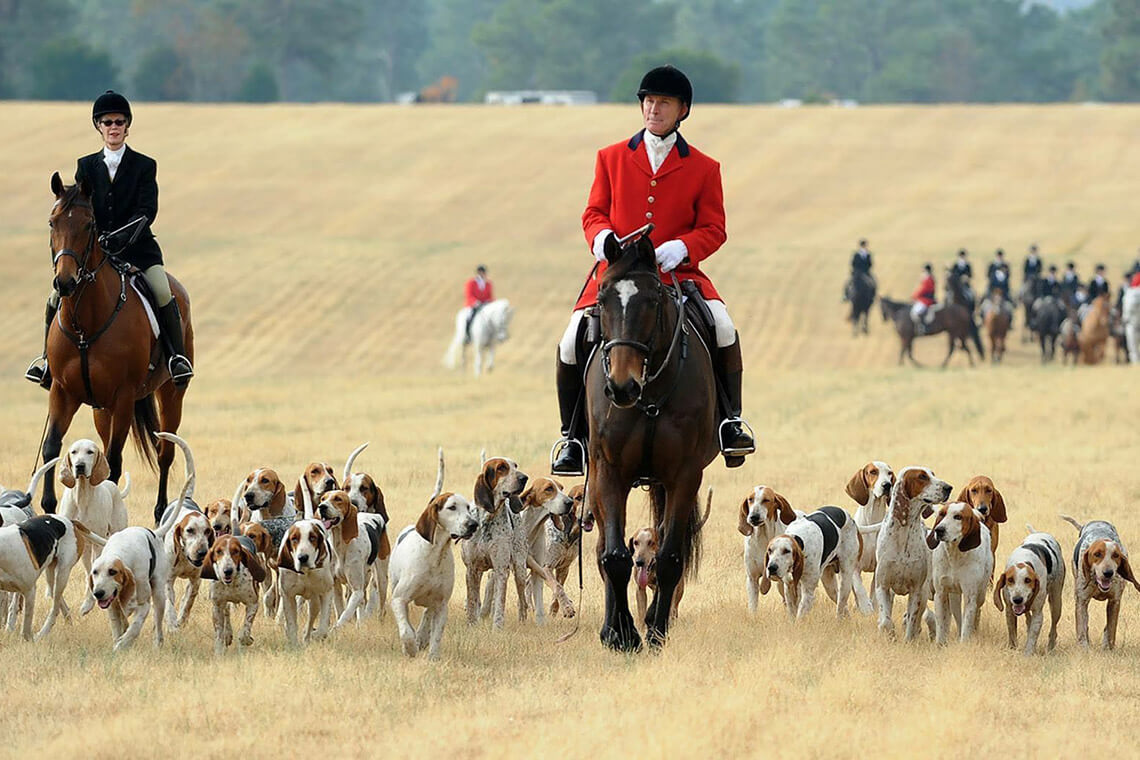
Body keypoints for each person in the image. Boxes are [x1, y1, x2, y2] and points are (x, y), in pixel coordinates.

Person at [550, 65, 754, 476]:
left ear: (682, 110)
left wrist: (681, 248)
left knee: (724, 326)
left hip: (677, 276)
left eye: (663, 103)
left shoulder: (704, 167)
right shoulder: (610, 158)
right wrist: (603, 238)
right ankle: (572, 438)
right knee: (571, 341)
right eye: (648, 101)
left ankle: (731, 421)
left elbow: (714, 228)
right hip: (617, 275)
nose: (653, 109)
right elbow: (593, 212)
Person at [26, 90, 192, 389]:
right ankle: (47, 362)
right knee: (55, 297)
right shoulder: (86, 165)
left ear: (127, 126)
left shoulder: (144, 165)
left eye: (119, 122)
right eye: (107, 122)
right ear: (98, 126)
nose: (113, 127)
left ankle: (176, 359)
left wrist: (121, 238)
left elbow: (147, 211)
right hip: (95, 252)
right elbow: (82, 208)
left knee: (163, 292)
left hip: (139, 250)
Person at [461, 264, 494, 343]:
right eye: (481, 272)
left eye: (484, 272)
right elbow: (469, 294)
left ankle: (492, 336)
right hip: (473, 304)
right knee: (469, 317)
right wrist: (476, 302)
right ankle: (467, 335)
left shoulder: (488, 283)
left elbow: (490, 296)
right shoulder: (471, 283)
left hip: (485, 305)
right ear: (478, 273)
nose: (483, 274)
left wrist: (488, 301)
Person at [911, 263, 937, 335]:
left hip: (926, 301)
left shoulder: (927, 280)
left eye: (924, 271)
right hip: (925, 300)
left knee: (915, 311)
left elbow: (922, 290)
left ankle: (922, 327)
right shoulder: (929, 279)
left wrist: (913, 297)